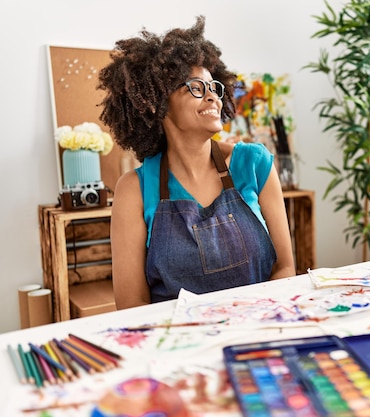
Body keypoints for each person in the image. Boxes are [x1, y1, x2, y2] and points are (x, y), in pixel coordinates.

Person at [98, 16, 295, 309]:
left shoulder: (255, 164)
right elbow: (131, 303)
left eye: (214, 87)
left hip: (259, 331)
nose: (213, 97)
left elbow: (285, 269)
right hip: (176, 343)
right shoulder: (134, 190)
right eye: (196, 88)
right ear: (159, 103)